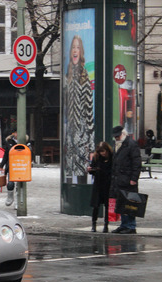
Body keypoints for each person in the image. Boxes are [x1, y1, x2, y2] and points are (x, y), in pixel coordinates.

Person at [64, 35, 94, 183]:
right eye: (73, 47)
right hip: (70, 134)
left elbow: (89, 111)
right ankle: (71, 201)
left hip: (81, 134)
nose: (75, 50)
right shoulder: (66, 76)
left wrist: (92, 146)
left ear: (81, 51)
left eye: (78, 47)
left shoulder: (84, 76)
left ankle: (83, 200)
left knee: (81, 171)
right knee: (69, 172)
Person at [110, 126, 142, 234]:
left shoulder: (131, 145)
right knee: (122, 202)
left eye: (117, 136)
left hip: (127, 179)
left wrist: (134, 178)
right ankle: (124, 225)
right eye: (115, 137)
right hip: (120, 178)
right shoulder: (118, 144)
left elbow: (137, 163)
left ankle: (130, 226)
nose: (116, 138)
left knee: (129, 203)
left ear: (123, 134)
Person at [87, 141, 113, 233]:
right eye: (100, 152)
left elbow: (113, 170)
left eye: (103, 151)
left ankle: (106, 225)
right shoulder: (97, 157)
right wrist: (91, 170)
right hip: (98, 183)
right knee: (96, 205)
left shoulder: (112, 157)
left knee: (107, 205)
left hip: (108, 183)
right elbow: (92, 168)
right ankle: (94, 224)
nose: (102, 153)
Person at [0, 130, 18, 206]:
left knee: (20, 184)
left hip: (21, 165)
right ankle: (10, 197)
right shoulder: (9, 142)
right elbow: (6, 154)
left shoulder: (25, 141)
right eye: (15, 132)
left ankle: (18, 201)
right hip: (11, 165)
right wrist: (1, 165)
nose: (17, 134)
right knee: (10, 183)